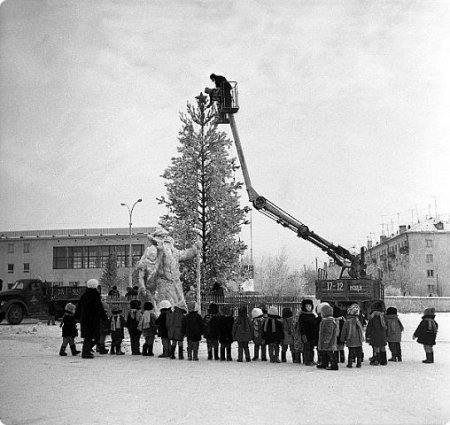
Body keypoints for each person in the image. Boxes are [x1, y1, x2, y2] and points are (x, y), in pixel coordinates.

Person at [76, 279, 108, 359]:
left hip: (85, 319)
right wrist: (104, 318)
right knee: (95, 336)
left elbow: (79, 307)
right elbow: (99, 307)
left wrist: (77, 317)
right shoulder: (95, 295)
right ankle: (86, 352)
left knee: (88, 336)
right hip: (93, 319)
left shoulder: (84, 295)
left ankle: (86, 350)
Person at [340, 304, 364, 368]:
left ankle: (350, 364)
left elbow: (344, 331)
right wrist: (362, 338)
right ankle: (359, 364)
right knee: (359, 352)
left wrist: (342, 338)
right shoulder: (358, 321)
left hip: (350, 339)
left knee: (351, 352)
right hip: (358, 340)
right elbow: (361, 330)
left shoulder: (347, 321)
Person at [317, 304, 339, 370]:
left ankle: (334, 365)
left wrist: (326, 340)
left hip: (329, 342)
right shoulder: (326, 320)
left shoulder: (329, 321)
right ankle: (324, 363)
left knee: (330, 353)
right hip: (325, 340)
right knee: (324, 352)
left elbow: (329, 332)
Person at [365, 300, 387, 366]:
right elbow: (386, 326)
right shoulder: (383, 316)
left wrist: (367, 335)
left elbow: (369, 327)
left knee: (376, 347)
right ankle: (383, 360)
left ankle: (376, 360)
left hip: (374, 335)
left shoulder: (373, 317)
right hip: (383, 335)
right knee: (382, 347)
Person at [298, 299, 318, 366]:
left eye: (310, 306)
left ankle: (311, 360)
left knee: (312, 348)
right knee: (307, 348)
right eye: (307, 306)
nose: (309, 308)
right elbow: (301, 327)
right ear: (304, 307)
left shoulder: (312, 315)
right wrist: (303, 335)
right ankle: (307, 361)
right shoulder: (302, 316)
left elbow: (315, 325)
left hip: (312, 335)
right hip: (306, 335)